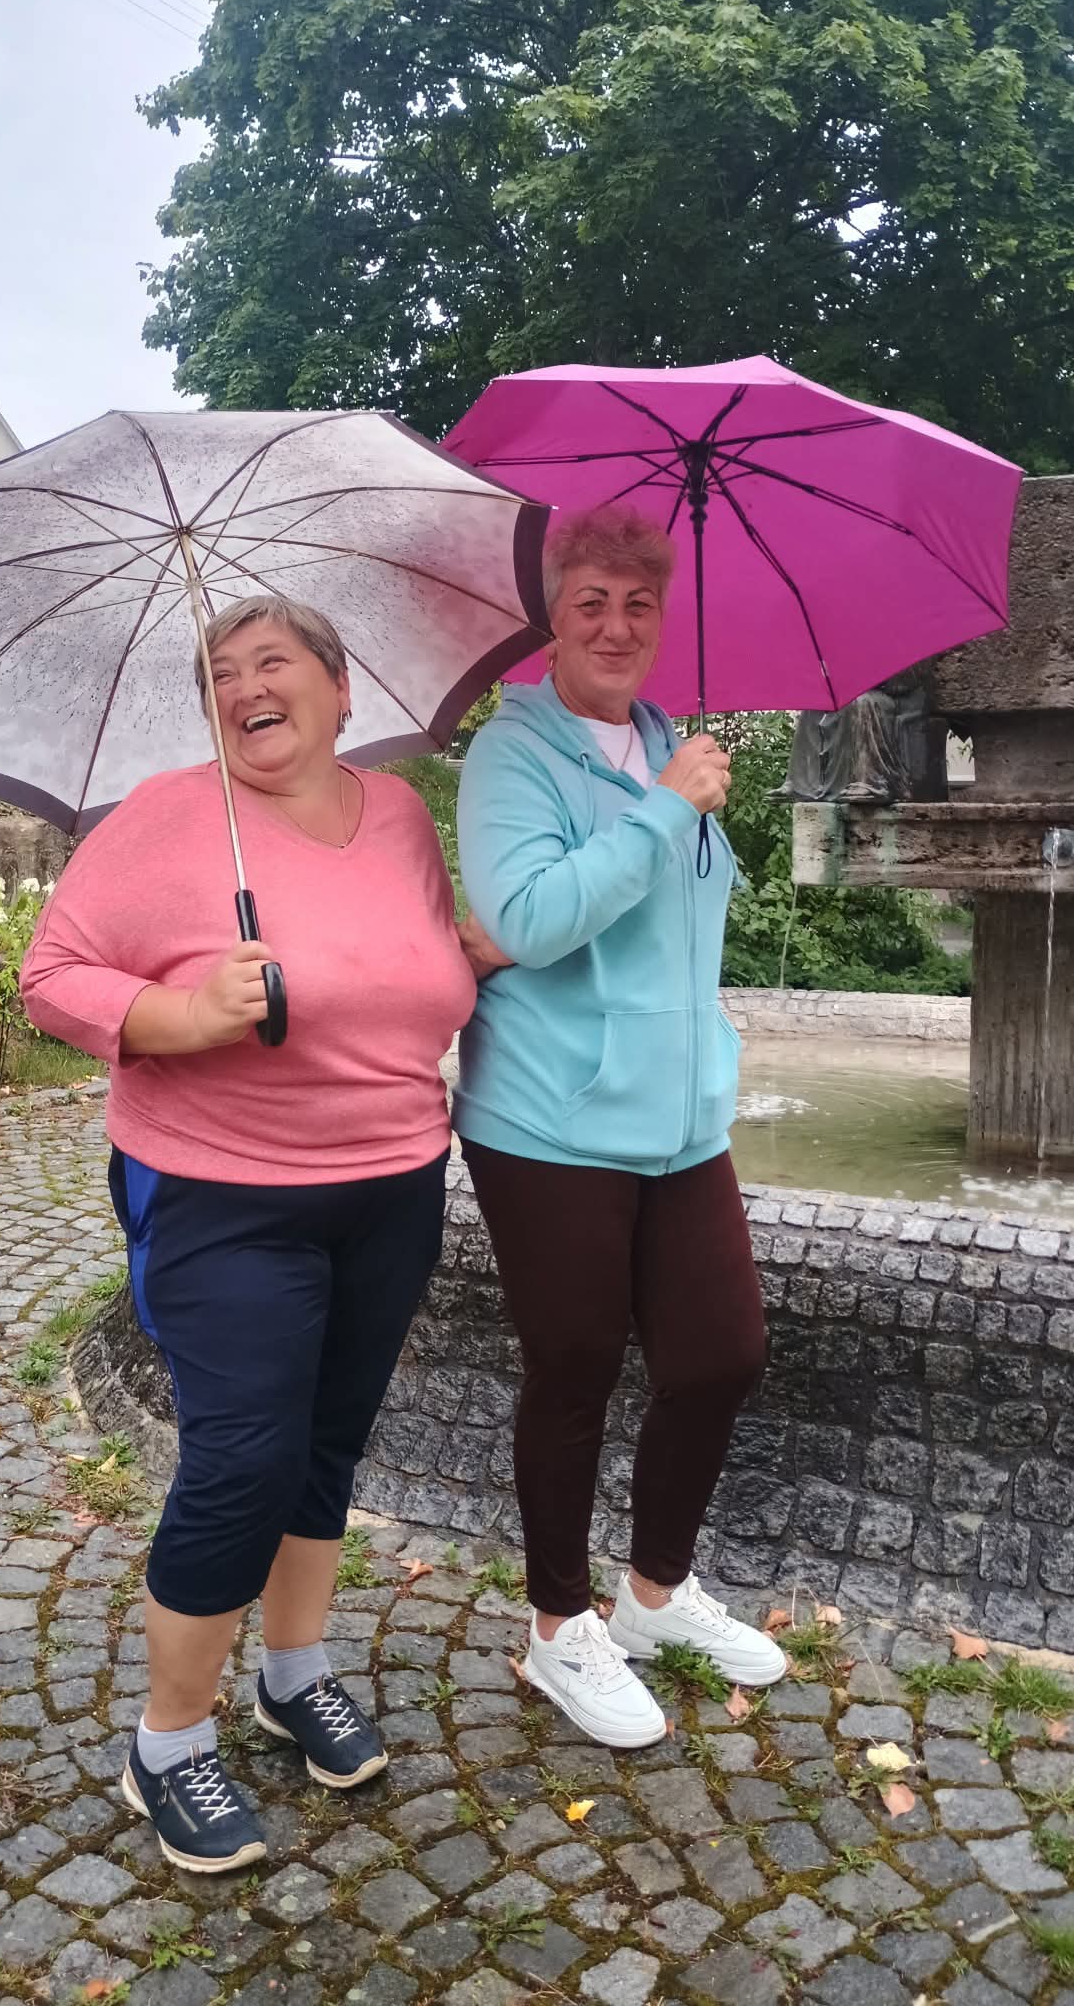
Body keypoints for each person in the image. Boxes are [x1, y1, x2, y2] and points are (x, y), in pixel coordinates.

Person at [21, 592, 476, 1872]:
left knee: (328, 1438)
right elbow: (52, 973)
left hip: (393, 1184)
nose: (244, 688)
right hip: (223, 1195)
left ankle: (293, 1672)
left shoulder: (401, 814)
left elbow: (413, 959)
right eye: (220, 674)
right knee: (242, 1459)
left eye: (272, 662)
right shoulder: (169, 817)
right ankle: (166, 1743)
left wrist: (479, 952)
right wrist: (176, 1013)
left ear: (341, 688)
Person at [454, 505, 787, 1750]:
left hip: (680, 1118)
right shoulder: (515, 753)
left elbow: (673, 925)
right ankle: (558, 1625)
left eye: (639, 602)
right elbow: (527, 919)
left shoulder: (666, 742)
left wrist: (673, 792)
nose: (616, 623)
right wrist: (659, 809)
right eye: (590, 599)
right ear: (552, 616)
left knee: (721, 1352)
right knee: (576, 1364)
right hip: (550, 1116)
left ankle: (651, 1595)